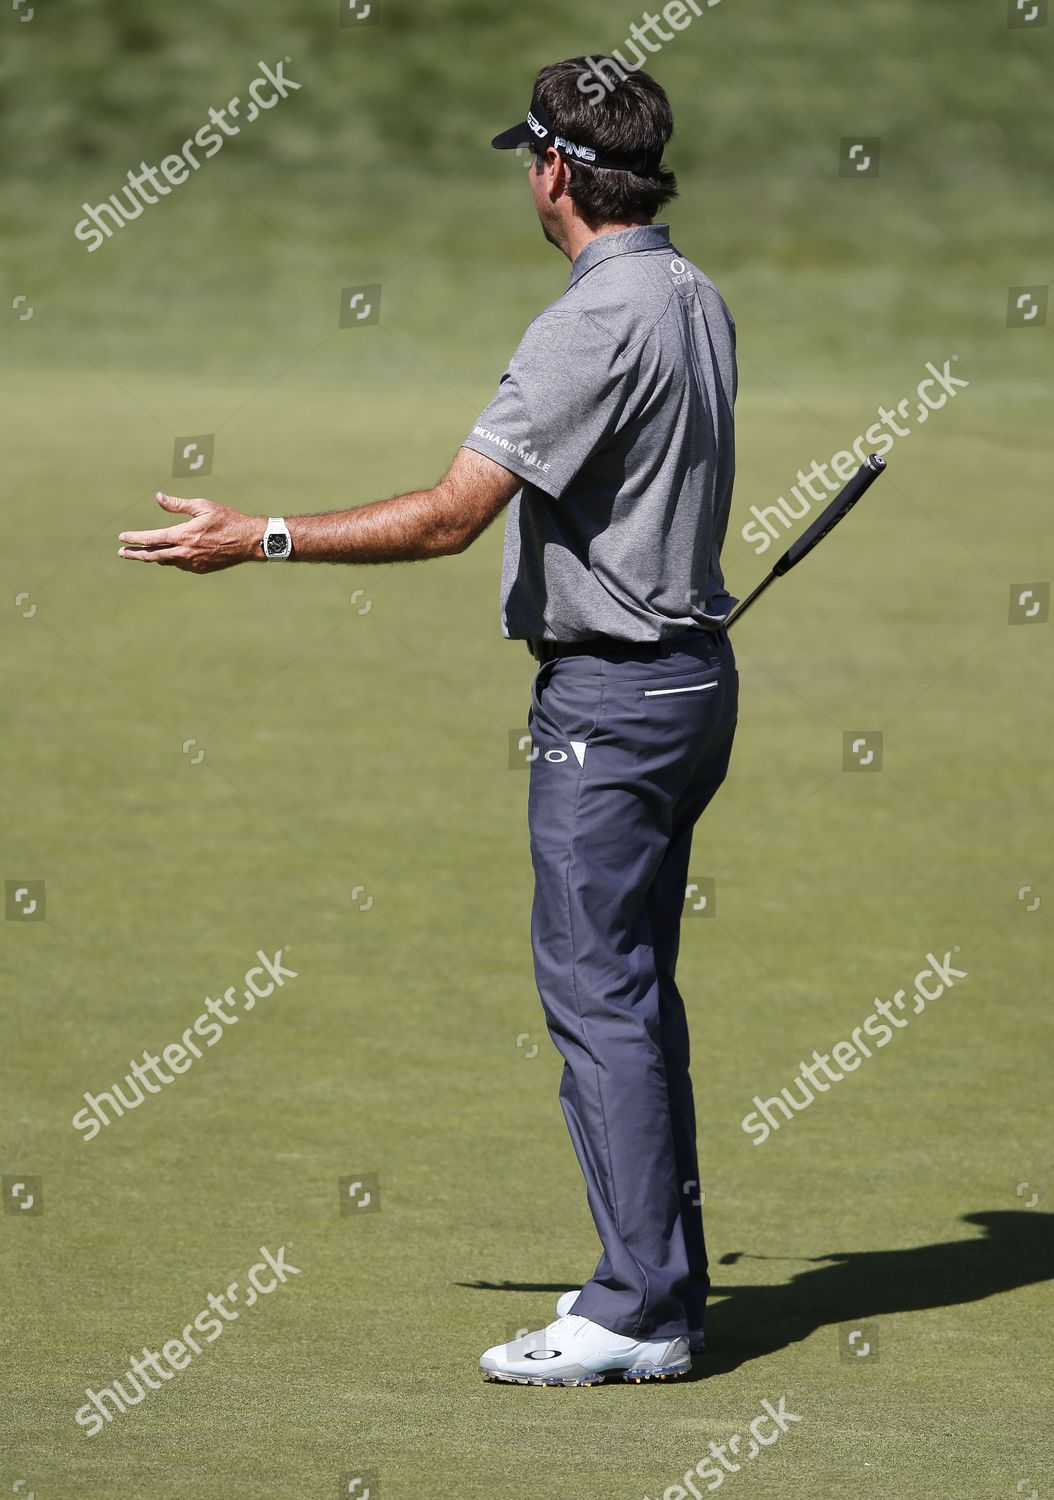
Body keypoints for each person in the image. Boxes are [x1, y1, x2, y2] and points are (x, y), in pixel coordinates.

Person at [118, 56, 739, 1389]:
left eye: (531, 160)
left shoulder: (585, 321)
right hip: (689, 684)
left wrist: (262, 536)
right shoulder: (693, 290)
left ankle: (637, 1307)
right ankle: (661, 1285)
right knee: (633, 996)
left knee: (597, 998)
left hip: (613, 697)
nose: (530, 179)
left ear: (556, 173)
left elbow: (453, 518)